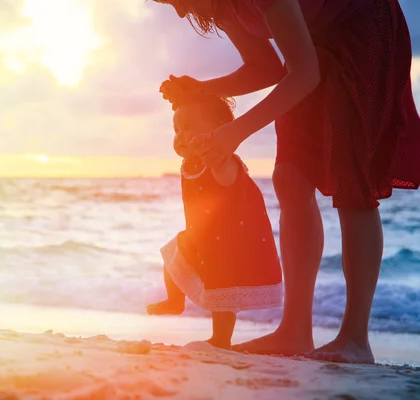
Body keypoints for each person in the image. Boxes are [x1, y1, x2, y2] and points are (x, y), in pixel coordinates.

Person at [152, 0, 420, 364]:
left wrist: (236, 131)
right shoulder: (222, 7)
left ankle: (355, 339)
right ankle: (295, 330)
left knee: (352, 180)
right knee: (290, 177)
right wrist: (200, 90)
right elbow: (265, 68)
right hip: (310, 46)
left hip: (363, 26)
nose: (181, 13)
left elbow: (303, 73)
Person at [146, 91, 283, 349]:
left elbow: (226, 180)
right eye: (176, 130)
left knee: (224, 291)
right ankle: (174, 301)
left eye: (188, 128)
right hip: (204, 237)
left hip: (229, 242)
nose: (181, 136)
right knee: (172, 254)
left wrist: (216, 155)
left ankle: (221, 338)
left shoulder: (221, 160)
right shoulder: (192, 162)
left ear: (221, 132)